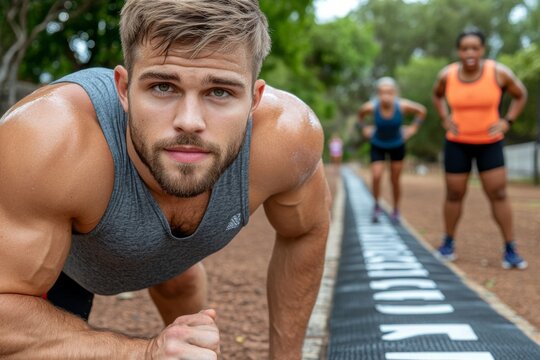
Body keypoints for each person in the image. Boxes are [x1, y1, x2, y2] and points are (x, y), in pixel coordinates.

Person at [0, 0, 331, 359]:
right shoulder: (50, 140)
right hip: (64, 263)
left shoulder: (289, 137)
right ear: (123, 89)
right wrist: (144, 352)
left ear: (254, 99)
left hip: (162, 258)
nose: (189, 121)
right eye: (162, 87)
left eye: (219, 92)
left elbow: (305, 232)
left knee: (179, 283)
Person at [432, 28, 528, 269]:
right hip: (457, 143)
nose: (470, 53)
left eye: (475, 48)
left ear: (482, 50)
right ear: (458, 51)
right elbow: (437, 96)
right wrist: (445, 118)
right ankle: (448, 244)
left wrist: (507, 122)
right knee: (454, 194)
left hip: (489, 143)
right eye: (465, 48)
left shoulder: (499, 73)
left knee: (499, 194)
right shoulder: (447, 75)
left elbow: (520, 94)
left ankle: (510, 249)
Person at [358, 77, 426, 224]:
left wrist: (413, 128)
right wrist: (365, 129)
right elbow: (360, 115)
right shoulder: (371, 107)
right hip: (378, 144)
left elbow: (421, 111)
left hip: (397, 145)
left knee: (394, 180)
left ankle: (396, 209)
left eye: (389, 92)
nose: (385, 96)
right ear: (378, 94)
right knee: (376, 176)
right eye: (382, 93)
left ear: (395, 93)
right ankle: (376, 206)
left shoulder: (402, 106)